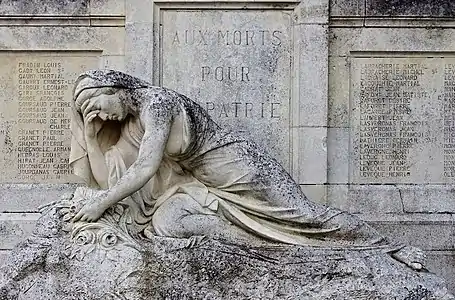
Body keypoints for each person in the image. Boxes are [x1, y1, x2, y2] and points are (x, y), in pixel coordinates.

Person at [69, 70, 424, 268]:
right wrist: (88, 134)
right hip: (205, 183)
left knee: (303, 217)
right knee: (261, 230)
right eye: (90, 113)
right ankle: (291, 258)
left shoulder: (156, 104)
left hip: (238, 167)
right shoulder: (133, 123)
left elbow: (146, 166)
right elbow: (109, 175)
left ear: (113, 88)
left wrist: (101, 203)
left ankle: (388, 247)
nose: (99, 115)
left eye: (96, 105)